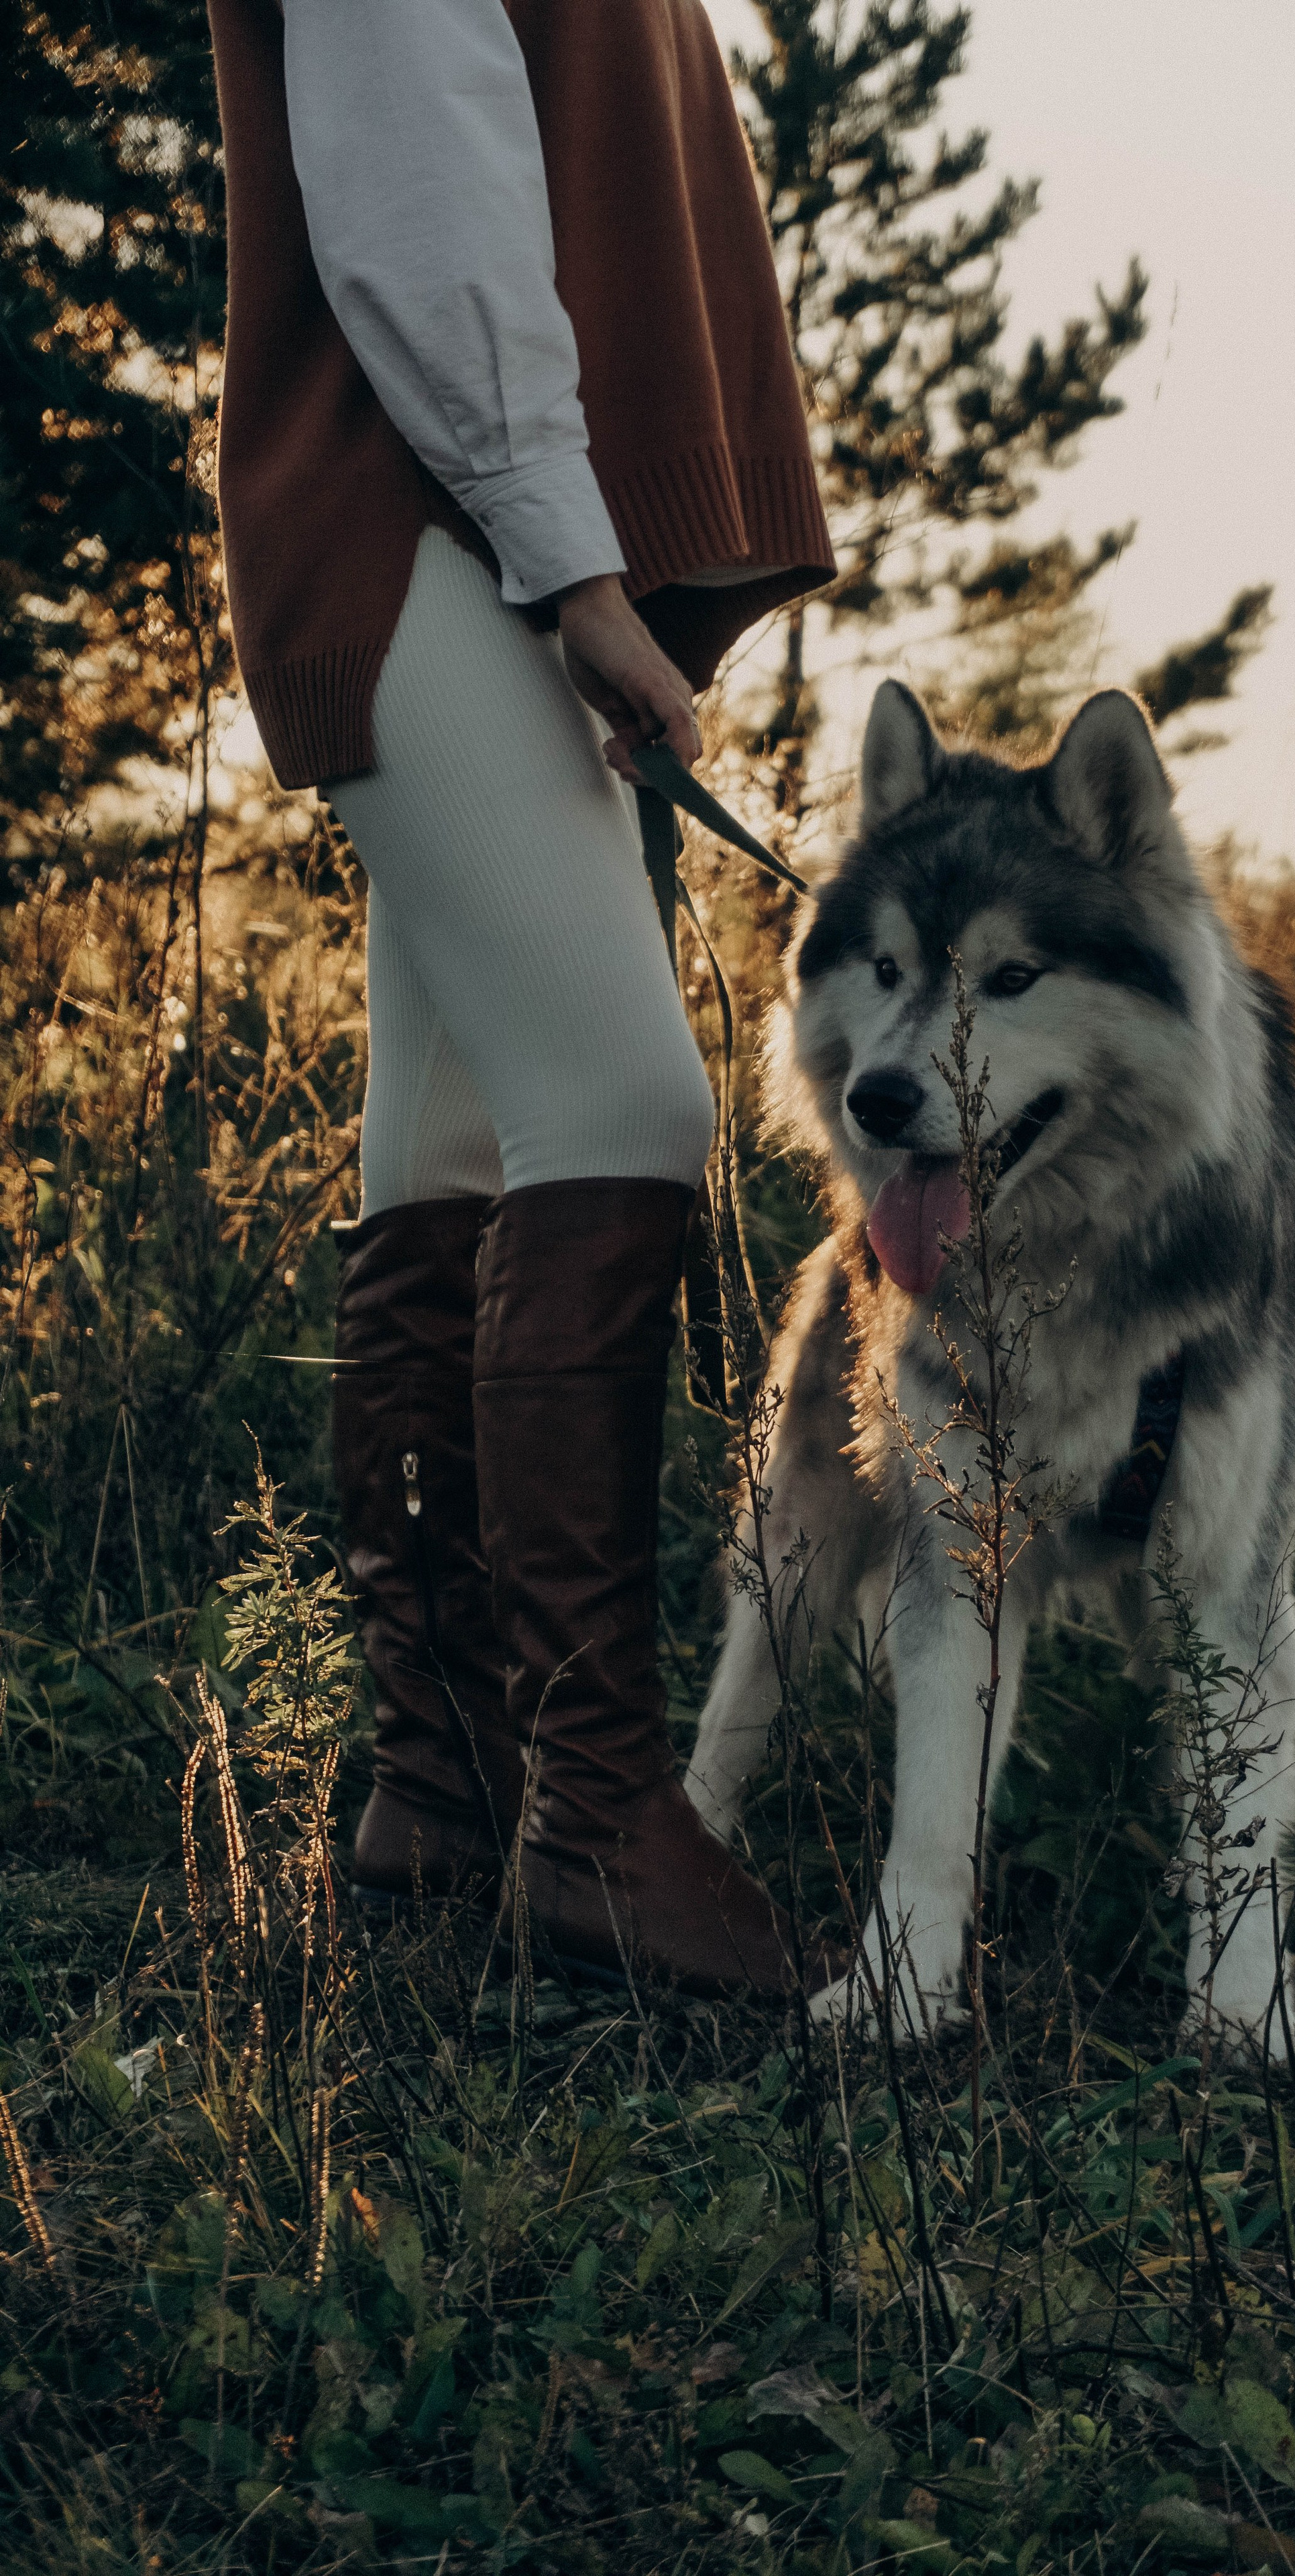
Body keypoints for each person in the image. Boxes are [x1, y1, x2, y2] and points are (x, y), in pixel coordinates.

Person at [207, 0, 840, 1998]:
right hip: (427, 529)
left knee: (452, 1149)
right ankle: (596, 1813)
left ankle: (447, 1788)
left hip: (462, 529)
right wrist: (576, 571)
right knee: (626, 1109)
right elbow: (417, 195)